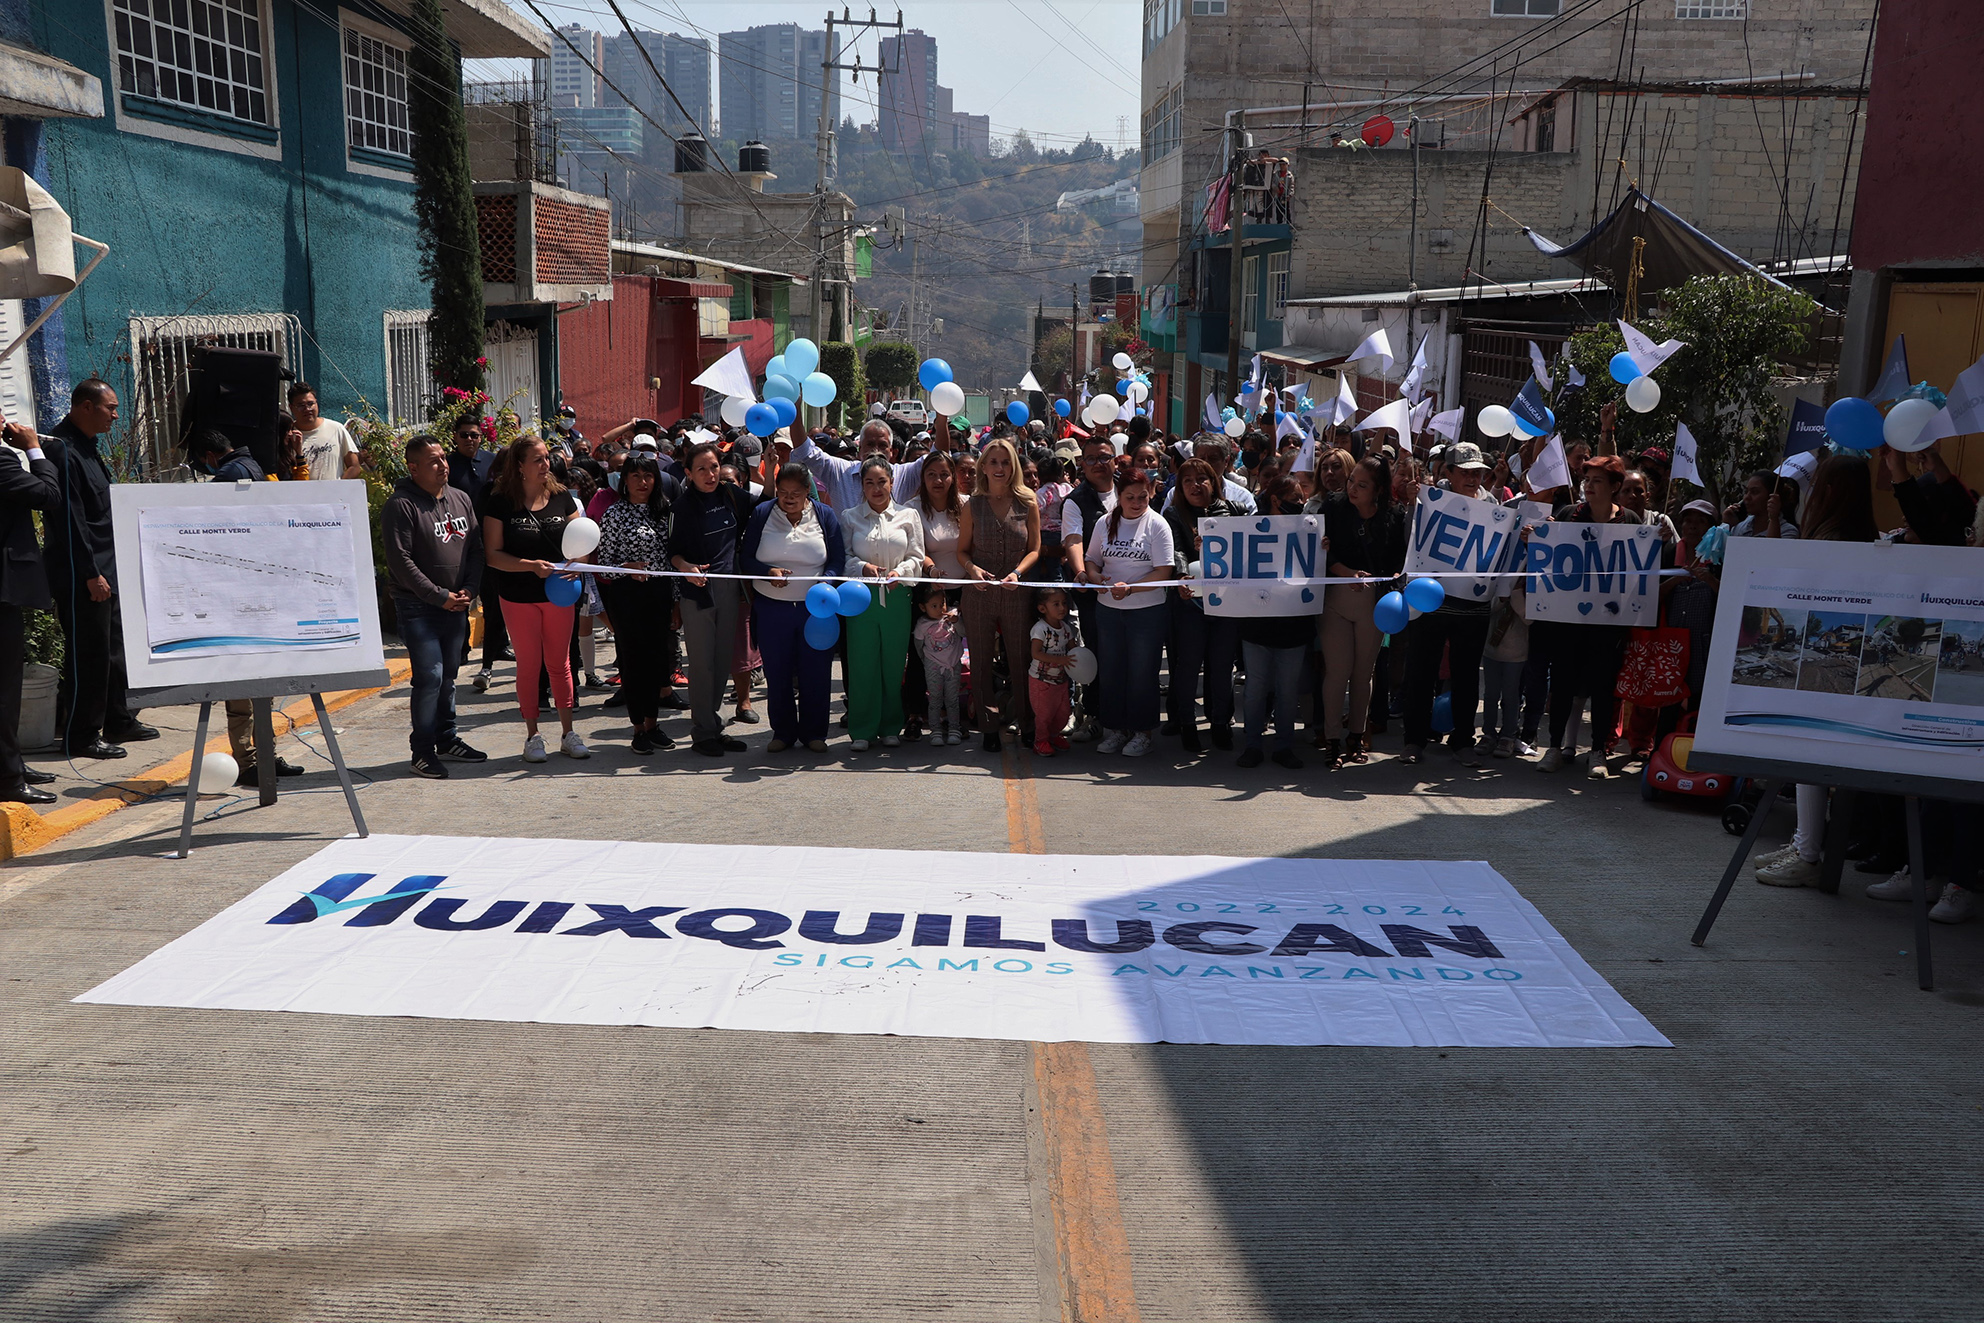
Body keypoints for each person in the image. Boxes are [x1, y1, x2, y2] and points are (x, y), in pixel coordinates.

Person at [1755, 455, 1878, 887]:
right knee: (1807, 752)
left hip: (1827, 665)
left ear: (1829, 492)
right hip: (1832, 662)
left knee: (1809, 751)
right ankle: (1804, 840)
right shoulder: (1856, 536)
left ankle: (1808, 853)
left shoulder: (1835, 539)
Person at [46, 378, 152, 759]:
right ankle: (82, 735)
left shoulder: (87, 446)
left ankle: (118, 718)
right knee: (89, 654)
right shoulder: (62, 450)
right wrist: (91, 573)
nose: (116, 415)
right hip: (84, 573)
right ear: (86, 407)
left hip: (108, 564)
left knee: (115, 649)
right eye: (110, 408)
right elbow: (71, 521)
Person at [382, 435, 487, 778]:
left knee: (450, 677)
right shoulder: (401, 505)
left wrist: (469, 589)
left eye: (443, 458)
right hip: (419, 607)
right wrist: (438, 596)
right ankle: (422, 751)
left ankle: (447, 738)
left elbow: (475, 549)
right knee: (430, 678)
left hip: (456, 604)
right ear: (413, 468)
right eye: (433, 461)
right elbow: (401, 562)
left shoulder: (460, 498)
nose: (443, 465)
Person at [481, 436, 588, 763]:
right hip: (518, 597)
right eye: (538, 459)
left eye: (547, 458)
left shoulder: (561, 496)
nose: (546, 464)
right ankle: (533, 736)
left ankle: (568, 733)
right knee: (529, 665)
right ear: (520, 466)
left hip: (559, 595)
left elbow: (580, 543)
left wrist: (577, 564)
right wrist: (529, 566)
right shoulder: (500, 502)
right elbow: (493, 555)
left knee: (560, 663)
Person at [1534, 454, 1639, 776]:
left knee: (1603, 688)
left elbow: (1643, 566)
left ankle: (1597, 753)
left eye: (1597, 481)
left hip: (1608, 623)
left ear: (1615, 486)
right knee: (1562, 684)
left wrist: (1659, 541)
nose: (1589, 486)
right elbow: (1549, 559)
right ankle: (1554, 747)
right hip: (1569, 619)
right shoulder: (1568, 515)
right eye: (1587, 480)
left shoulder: (1631, 521)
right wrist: (1535, 538)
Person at [1399, 440, 1495, 768]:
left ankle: (1463, 740)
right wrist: (1414, 505)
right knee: (1421, 671)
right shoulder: (1429, 499)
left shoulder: (1492, 505)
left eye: (1477, 472)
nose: (1472, 478)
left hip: (1473, 606)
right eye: (1465, 472)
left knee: (1466, 676)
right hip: (1431, 601)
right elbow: (1411, 539)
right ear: (1449, 473)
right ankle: (1414, 739)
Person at [744, 462, 843, 754]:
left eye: (795, 493)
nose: (788, 498)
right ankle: (783, 732)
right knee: (778, 672)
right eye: (783, 492)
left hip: (816, 611)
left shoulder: (824, 515)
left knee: (816, 671)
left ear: (807, 492)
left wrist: (825, 582)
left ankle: (814, 733)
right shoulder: (762, 514)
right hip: (772, 609)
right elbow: (745, 558)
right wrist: (767, 572)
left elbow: (837, 559)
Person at [1316, 454, 1406, 769]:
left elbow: (1399, 562)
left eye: (1362, 485)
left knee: (1363, 673)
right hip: (1335, 601)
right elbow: (1322, 554)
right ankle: (1331, 740)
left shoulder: (1395, 516)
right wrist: (1347, 573)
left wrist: (1389, 578)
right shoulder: (1333, 506)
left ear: (1379, 490)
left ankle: (1356, 736)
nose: (1352, 488)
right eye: (1351, 480)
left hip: (1374, 605)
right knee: (1337, 671)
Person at [1081, 464, 1175, 756]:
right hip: (1108, 611)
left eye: (1142, 497)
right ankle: (1115, 729)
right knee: (1111, 671)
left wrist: (1131, 588)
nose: (1136, 503)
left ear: (1150, 495)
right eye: (1130, 497)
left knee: (1142, 673)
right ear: (1119, 497)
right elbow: (1091, 558)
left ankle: (1142, 732)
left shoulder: (1157, 524)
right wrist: (1094, 576)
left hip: (1146, 612)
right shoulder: (1104, 522)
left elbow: (1164, 571)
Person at [956, 436, 1043, 752]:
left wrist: (1017, 573)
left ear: (1014, 466)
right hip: (979, 594)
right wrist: (972, 570)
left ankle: (1028, 724)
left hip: (1016, 593)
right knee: (980, 663)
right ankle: (989, 727)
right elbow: (962, 551)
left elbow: (1035, 549)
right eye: (993, 461)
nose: (999, 468)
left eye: (1006, 462)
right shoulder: (972, 505)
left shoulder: (1027, 502)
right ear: (983, 467)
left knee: (1021, 660)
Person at [669, 440, 754, 757]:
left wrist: (769, 468)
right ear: (688, 473)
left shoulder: (731, 495)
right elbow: (672, 553)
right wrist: (686, 568)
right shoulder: (681, 507)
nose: (710, 474)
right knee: (702, 665)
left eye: (715, 467)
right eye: (702, 469)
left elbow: (764, 505)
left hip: (729, 589)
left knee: (721, 661)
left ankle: (715, 727)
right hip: (698, 593)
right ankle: (703, 732)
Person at [593, 451, 677, 754]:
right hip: (627, 597)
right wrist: (626, 568)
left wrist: (676, 602)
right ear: (624, 480)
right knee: (633, 662)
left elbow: (673, 560)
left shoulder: (666, 511)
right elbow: (603, 566)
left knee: (657, 661)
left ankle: (653, 725)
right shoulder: (614, 514)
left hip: (659, 595)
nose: (643, 482)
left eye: (648, 476)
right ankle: (638, 728)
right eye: (636, 476)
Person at [841, 456, 925, 750]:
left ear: (892, 483)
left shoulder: (908, 515)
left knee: (893, 664)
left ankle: (891, 726)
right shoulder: (850, 517)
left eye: (882, 482)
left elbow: (916, 557)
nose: (876, 489)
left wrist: (899, 572)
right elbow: (844, 558)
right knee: (862, 664)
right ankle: (862, 730)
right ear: (862, 487)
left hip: (897, 596)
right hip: (860, 599)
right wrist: (862, 567)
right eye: (869, 483)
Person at [0, 416, 61, 804]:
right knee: (5, 690)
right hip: (3, 592)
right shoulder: (2, 462)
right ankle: (8, 778)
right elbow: (48, 494)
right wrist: (33, 448)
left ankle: (12, 762)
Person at [1163, 457, 1241, 752]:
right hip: (1190, 603)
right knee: (1187, 666)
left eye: (1201, 479)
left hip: (1226, 601)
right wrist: (1182, 575)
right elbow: (1176, 549)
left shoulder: (1234, 510)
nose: (1195, 485)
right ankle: (1187, 724)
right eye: (1187, 481)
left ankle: (1220, 724)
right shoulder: (1173, 513)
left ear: (1214, 482)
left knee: (1221, 666)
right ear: (1180, 488)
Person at [1237, 478, 1311, 771]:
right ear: (1276, 500)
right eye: (1295, 497)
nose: (1301, 503)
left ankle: (1283, 747)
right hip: (1257, 625)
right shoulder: (1248, 529)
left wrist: (1322, 549)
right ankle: (1252, 745)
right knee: (1255, 689)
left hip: (1293, 624)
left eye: (1302, 497)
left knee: (1287, 690)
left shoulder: (1308, 529)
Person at [1028, 586, 1078, 756]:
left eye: (1064, 603)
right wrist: (1060, 660)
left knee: (1063, 712)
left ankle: (1054, 735)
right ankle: (1040, 741)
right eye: (1056, 604)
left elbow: (1073, 650)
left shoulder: (1066, 628)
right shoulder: (1040, 629)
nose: (1062, 608)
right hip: (1041, 681)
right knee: (1044, 714)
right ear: (1042, 609)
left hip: (1061, 680)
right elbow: (1036, 653)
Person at [914, 585, 967, 746]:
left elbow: (964, 633)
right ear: (923, 607)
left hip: (953, 665)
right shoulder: (922, 624)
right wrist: (926, 660)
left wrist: (956, 621)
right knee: (935, 698)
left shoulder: (952, 616)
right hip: (933, 665)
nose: (940, 609)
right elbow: (918, 644)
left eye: (942, 604)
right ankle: (935, 730)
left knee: (952, 699)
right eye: (934, 606)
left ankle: (954, 729)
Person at [288, 382, 362, 480]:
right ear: (291, 407)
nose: (307, 409)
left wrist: (337, 486)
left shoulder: (336, 429)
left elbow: (354, 467)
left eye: (311, 404)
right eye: (301, 405)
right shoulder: (287, 434)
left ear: (316, 403)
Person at [186, 427, 265, 483]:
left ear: (209, 455)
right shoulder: (249, 463)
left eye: (205, 462)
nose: (207, 465)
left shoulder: (229, 472)